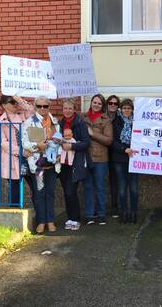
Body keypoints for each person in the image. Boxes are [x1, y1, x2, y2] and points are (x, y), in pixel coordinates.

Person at [22, 96, 61, 234]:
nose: (42, 109)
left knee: (50, 193)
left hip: (51, 164)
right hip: (38, 165)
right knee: (39, 194)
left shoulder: (54, 122)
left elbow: (59, 141)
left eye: (45, 106)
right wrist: (37, 145)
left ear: (49, 107)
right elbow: (25, 143)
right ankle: (41, 221)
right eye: (39, 106)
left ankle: (50, 221)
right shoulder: (29, 122)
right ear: (35, 106)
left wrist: (59, 153)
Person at [0, 95, 35, 207]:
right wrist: (21, 151)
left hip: (29, 158)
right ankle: (15, 214)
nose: (15, 104)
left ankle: (39, 214)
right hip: (13, 159)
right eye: (12, 102)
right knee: (15, 189)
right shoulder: (0, 121)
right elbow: (3, 143)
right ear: (4, 105)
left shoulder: (23, 116)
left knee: (36, 187)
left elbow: (31, 110)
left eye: (15, 102)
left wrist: (18, 99)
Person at [59, 98, 90, 231]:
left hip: (75, 162)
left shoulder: (80, 123)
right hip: (62, 163)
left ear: (74, 110)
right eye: (65, 108)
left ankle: (75, 218)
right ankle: (69, 218)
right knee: (66, 192)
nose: (67, 111)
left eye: (70, 108)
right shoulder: (60, 123)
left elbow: (86, 143)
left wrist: (71, 146)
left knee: (71, 191)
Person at [81, 94, 113, 225]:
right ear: (91, 103)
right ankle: (89, 215)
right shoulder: (82, 117)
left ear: (102, 106)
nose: (96, 105)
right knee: (87, 187)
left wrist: (93, 134)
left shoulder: (106, 120)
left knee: (100, 187)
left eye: (99, 103)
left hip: (100, 159)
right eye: (95, 102)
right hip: (85, 157)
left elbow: (109, 140)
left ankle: (101, 214)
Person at [111, 98, 139, 224]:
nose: (126, 110)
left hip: (134, 158)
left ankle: (134, 213)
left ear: (132, 110)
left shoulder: (137, 122)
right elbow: (113, 142)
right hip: (119, 158)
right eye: (124, 108)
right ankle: (124, 213)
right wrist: (124, 149)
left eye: (129, 108)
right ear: (120, 109)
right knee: (122, 187)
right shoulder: (115, 122)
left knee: (134, 188)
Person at [106, 95, 121, 218]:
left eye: (115, 104)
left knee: (114, 181)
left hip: (116, 153)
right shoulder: (102, 116)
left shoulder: (121, 118)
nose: (112, 105)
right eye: (110, 103)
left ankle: (115, 207)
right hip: (101, 152)